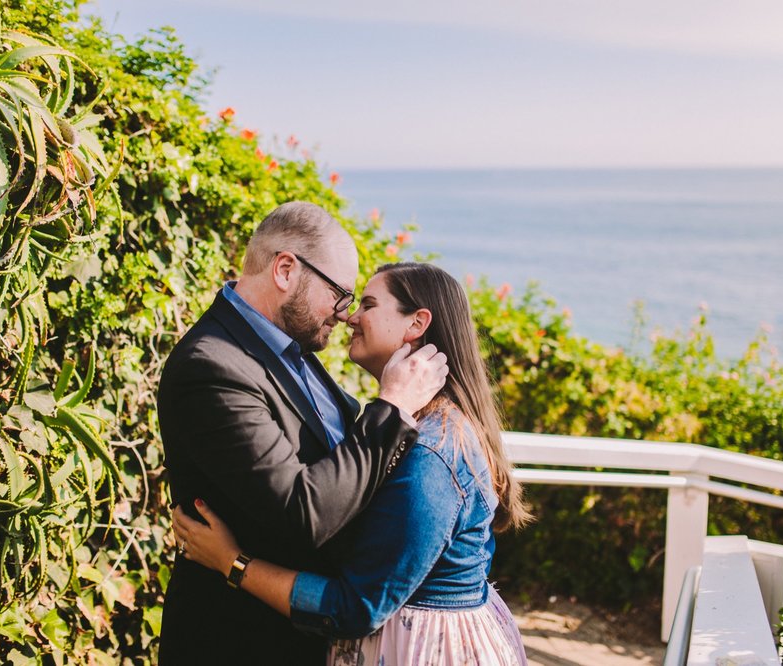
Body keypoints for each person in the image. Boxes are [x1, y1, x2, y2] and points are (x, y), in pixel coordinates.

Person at [175, 262, 531, 665]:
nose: (350, 316)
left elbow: (356, 607)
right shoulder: (420, 426)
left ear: (416, 323)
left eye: (367, 304)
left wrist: (232, 562)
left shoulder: (433, 452)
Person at [156, 203, 449, 665]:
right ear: (286, 270)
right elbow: (303, 513)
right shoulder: (211, 366)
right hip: (240, 641)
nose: (344, 314)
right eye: (339, 294)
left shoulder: (287, 343)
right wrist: (391, 408)